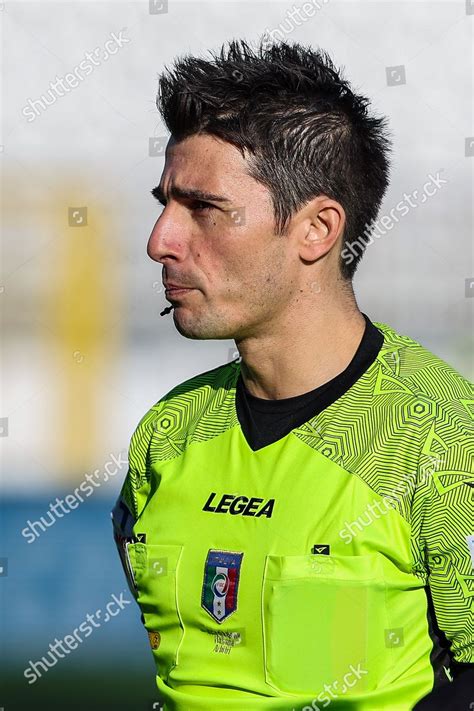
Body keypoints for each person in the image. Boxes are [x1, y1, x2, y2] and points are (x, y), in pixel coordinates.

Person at [111, 39, 473, 710]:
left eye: (203, 208)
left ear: (316, 230)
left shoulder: (444, 441)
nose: (160, 239)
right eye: (165, 202)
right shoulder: (166, 435)